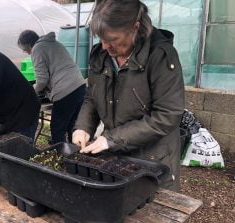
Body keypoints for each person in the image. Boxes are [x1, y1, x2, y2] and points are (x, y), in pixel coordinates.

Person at [72, 0, 184, 191]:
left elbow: (167, 115)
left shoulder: (160, 56)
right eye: (101, 38)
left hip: (152, 159)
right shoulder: (101, 55)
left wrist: (112, 139)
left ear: (135, 27)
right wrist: (83, 127)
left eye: (113, 39)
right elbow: (92, 97)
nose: (106, 46)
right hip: (115, 155)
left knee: (150, 212)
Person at [17, 30, 86, 144]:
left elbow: (42, 80)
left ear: (29, 45)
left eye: (26, 50)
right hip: (79, 85)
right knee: (72, 126)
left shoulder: (37, 49)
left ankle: (60, 157)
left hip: (65, 90)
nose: (28, 53)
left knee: (57, 128)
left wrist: (32, 91)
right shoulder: (54, 43)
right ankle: (74, 154)